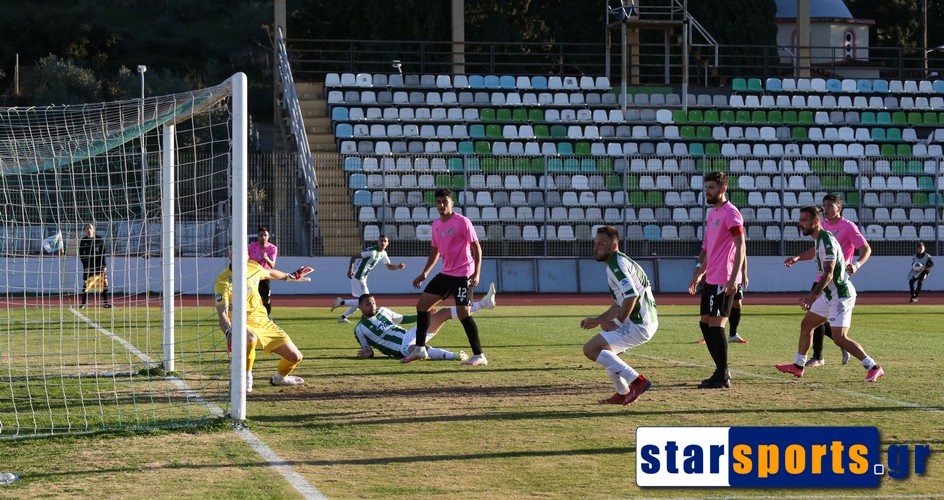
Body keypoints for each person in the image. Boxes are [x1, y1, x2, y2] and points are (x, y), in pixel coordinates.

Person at [776, 206, 884, 383]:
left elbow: (828, 273)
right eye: (800, 220)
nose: (800, 223)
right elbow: (816, 256)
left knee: (839, 338)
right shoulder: (820, 238)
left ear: (815, 221)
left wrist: (812, 295)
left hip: (840, 295)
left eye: (804, 220)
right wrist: (798, 258)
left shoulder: (826, 240)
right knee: (807, 325)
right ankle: (798, 365)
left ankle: (873, 367)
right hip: (829, 294)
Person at [784, 193, 871, 367]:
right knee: (810, 322)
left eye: (830, 205)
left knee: (826, 326)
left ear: (839, 208)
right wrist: (798, 257)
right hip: (822, 278)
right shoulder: (822, 226)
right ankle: (811, 359)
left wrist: (856, 265)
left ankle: (838, 350)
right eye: (824, 205)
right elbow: (816, 249)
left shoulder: (848, 227)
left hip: (835, 280)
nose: (826, 208)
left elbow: (866, 248)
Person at [404, 188, 487, 366]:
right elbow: (435, 252)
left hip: (463, 273)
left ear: (452, 203)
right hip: (446, 273)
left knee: (463, 313)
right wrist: (425, 273)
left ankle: (479, 355)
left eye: (445, 202)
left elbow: (476, 248)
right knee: (422, 306)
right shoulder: (435, 225)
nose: (442, 205)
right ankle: (420, 349)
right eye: (439, 202)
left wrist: (477, 272)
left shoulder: (462, 222)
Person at [215, 254, 313, 391]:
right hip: (239, 320)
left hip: (263, 321)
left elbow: (270, 273)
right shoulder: (223, 281)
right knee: (250, 338)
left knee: (295, 357)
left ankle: (279, 379)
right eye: (237, 253)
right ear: (230, 256)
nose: (242, 256)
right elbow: (222, 312)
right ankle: (243, 377)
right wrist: (228, 332)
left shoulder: (253, 267)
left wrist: (292, 276)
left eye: (244, 253)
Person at [581, 226, 656, 405]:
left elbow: (631, 296)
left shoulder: (617, 264)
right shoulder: (620, 262)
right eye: (595, 243)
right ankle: (622, 393)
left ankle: (638, 381)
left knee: (591, 349)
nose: (596, 248)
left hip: (638, 324)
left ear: (613, 246)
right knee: (608, 355)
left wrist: (616, 322)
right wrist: (599, 320)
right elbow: (620, 302)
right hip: (642, 322)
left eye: (601, 244)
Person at [687, 171, 745, 389]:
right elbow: (712, 249)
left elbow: (741, 247)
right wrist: (701, 273)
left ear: (723, 189)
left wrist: (734, 279)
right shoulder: (713, 213)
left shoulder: (731, 213)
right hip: (712, 277)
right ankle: (721, 371)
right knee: (705, 323)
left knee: (716, 324)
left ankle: (722, 375)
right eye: (706, 188)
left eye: (711, 188)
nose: (707, 192)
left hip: (724, 278)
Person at [353, 285, 496, 361]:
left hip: (411, 335)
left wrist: (423, 316)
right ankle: (455, 355)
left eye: (373, 302)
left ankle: (484, 304)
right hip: (401, 348)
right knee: (423, 349)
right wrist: (367, 354)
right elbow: (367, 351)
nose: (372, 306)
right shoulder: (360, 328)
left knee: (443, 313)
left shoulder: (382, 310)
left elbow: (402, 319)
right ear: (360, 307)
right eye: (368, 304)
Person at [332, 235, 406, 323]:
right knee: (366, 300)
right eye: (381, 241)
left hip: (363, 278)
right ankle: (341, 302)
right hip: (358, 277)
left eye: (385, 241)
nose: (383, 243)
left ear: (387, 243)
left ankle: (343, 317)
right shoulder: (372, 251)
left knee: (361, 302)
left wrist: (398, 266)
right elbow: (354, 257)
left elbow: (389, 266)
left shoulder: (383, 253)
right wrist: (350, 270)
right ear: (377, 242)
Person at [78, 223, 111, 309]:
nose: (89, 230)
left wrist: (104, 265)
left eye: (90, 228)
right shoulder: (83, 240)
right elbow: (81, 255)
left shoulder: (99, 239)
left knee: (105, 282)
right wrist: (85, 266)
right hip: (89, 266)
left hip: (99, 265)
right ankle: (83, 304)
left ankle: (105, 303)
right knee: (86, 284)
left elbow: (103, 253)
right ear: (85, 230)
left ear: (93, 230)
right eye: (87, 228)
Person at [247, 226, 278, 316]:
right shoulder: (252, 246)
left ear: (268, 236)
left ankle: (268, 316)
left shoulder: (272, 248)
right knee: (250, 297)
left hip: (264, 277)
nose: (263, 237)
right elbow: (244, 254)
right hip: (252, 277)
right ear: (258, 236)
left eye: (265, 235)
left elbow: (272, 265)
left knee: (266, 300)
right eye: (261, 235)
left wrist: (266, 258)